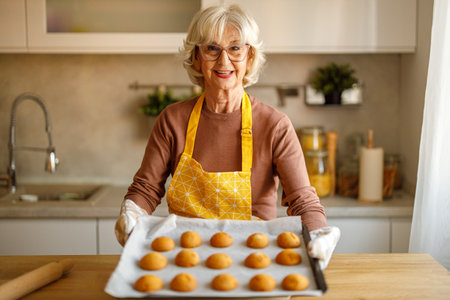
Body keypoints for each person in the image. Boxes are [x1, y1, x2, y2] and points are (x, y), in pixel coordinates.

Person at [115, 4, 339, 269]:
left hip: (253, 264)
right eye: (212, 48)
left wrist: (317, 235)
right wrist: (131, 211)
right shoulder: (172, 120)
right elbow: (146, 189)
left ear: (250, 57)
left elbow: (303, 202)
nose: (224, 61)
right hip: (185, 263)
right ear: (197, 57)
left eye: (235, 48)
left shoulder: (275, 126)